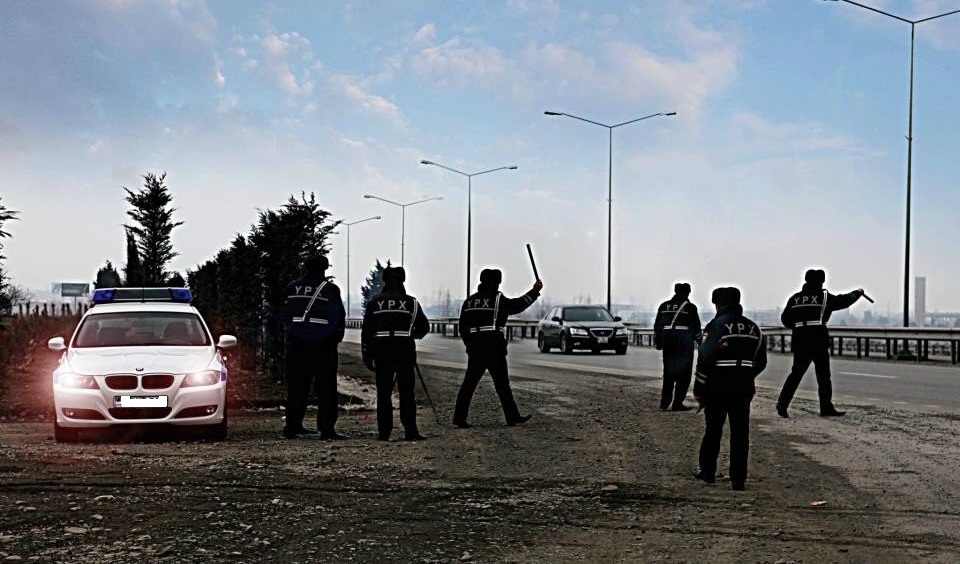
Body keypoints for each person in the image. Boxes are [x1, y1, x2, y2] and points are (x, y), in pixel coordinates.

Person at [692, 287, 767, 491]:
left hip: (717, 386)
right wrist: (745, 376)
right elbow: (761, 361)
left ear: (719, 304)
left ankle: (707, 472)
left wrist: (699, 389)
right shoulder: (753, 328)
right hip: (743, 387)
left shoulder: (715, 326)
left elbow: (704, 358)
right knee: (740, 433)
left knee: (713, 430)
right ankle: (738, 479)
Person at [453, 269, 543, 428]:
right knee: (502, 385)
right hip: (494, 347)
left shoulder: (469, 301)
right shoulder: (498, 299)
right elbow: (518, 305)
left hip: (476, 348)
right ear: (497, 282)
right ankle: (512, 417)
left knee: (469, 384)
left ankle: (459, 418)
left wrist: (470, 345)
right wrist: (535, 291)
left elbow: (462, 327)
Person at [776, 269, 865, 418]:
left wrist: (799, 327)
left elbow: (785, 319)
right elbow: (842, 301)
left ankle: (782, 405)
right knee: (823, 376)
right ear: (821, 281)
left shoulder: (795, 298)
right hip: (818, 339)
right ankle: (826, 408)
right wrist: (857, 293)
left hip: (800, 339)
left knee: (796, 374)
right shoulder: (823, 297)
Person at [280, 254, 346, 440]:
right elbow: (338, 316)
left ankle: (292, 427)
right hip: (323, 346)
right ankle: (327, 429)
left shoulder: (292, 287)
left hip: (296, 345)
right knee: (326, 389)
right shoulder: (330, 289)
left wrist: (291, 333)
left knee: (296, 388)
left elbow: (283, 313)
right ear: (324, 268)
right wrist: (333, 337)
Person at [361, 266, 430, 441]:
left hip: (381, 349)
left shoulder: (375, 302)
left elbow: (367, 330)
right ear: (403, 280)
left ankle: (384, 433)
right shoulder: (412, 302)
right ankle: (410, 431)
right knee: (407, 391)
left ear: (384, 280)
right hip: (404, 348)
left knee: (383, 392)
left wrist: (367, 355)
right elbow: (424, 327)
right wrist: (411, 335)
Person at [653, 282, 702, 411]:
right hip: (684, 345)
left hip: (668, 344)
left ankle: (664, 403)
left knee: (668, 374)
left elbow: (657, 326)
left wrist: (658, 342)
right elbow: (696, 328)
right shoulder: (690, 308)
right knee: (684, 375)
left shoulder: (664, 306)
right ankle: (677, 403)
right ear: (688, 292)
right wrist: (701, 344)